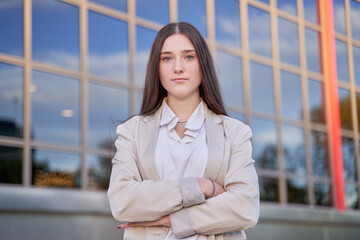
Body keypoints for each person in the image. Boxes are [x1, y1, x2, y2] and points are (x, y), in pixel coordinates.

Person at [107, 22, 259, 240]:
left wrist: (175, 220)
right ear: (156, 67)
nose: (178, 67)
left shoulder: (235, 133)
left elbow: (246, 208)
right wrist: (200, 186)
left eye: (189, 57)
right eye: (167, 58)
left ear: (202, 64)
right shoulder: (132, 132)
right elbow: (122, 202)